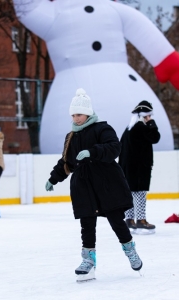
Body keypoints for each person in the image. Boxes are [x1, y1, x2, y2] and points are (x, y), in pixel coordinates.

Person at [45, 88, 142, 282]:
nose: (75, 118)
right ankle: (88, 261)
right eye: (73, 114)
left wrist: (93, 152)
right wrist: (53, 178)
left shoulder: (102, 129)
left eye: (79, 114)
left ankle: (130, 250)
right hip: (83, 186)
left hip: (106, 183)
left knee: (116, 221)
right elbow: (67, 162)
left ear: (88, 113)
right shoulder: (70, 136)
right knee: (87, 224)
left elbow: (115, 147)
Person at [119, 100, 160, 234]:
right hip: (140, 168)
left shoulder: (128, 129)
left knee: (130, 194)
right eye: (148, 116)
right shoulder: (141, 128)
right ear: (144, 116)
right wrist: (151, 123)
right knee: (140, 193)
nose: (150, 118)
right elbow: (155, 137)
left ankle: (129, 220)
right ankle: (141, 220)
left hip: (127, 168)